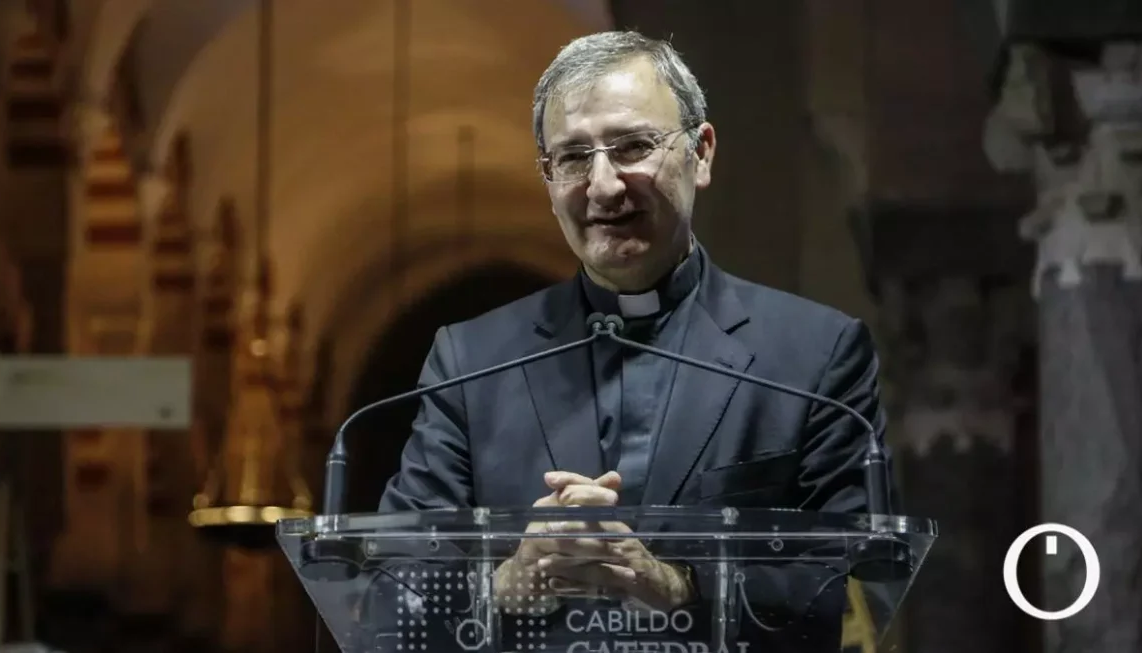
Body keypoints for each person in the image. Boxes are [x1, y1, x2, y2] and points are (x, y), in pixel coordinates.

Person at [377, 30, 895, 650]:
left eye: (633, 147)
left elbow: (862, 589)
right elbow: (390, 590)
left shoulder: (814, 357)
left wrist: (680, 586)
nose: (602, 186)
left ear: (701, 154)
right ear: (547, 178)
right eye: (572, 158)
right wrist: (505, 585)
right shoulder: (471, 363)